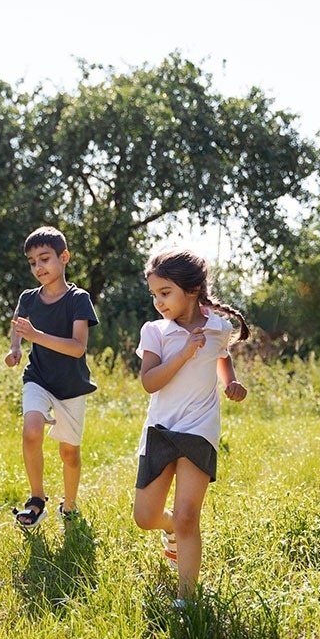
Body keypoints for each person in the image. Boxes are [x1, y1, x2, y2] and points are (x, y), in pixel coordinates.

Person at [132, 248, 249, 604]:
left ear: (193, 289)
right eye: (154, 295)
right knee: (145, 516)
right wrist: (183, 354)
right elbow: (150, 382)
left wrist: (230, 382)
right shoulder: (155, 331)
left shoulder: (219, 328)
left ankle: (186, 600)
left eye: (165, 293)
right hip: (161, 430)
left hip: (200, 430)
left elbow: (221, 356)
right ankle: (167, 530)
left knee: (187, 516)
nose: (158, 302)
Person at [4, 225, 98, 527]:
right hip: (38, 377)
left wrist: (35, 335)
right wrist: (16, 347)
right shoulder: (29, 298)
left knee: (69, 453)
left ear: (64, 257)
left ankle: (69, 505)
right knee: (31, 429)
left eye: (44, 259)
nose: (38, 267)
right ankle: (36, 499)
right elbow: (18, 324)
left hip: (71, 386)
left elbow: (77, 348)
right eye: (32, 262)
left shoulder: (78, 299)